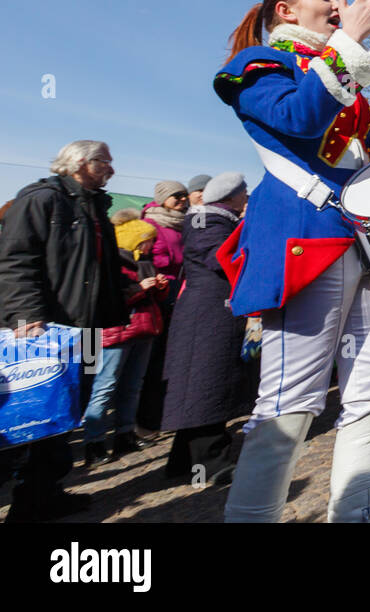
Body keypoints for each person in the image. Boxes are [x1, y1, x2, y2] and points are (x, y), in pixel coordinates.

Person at [212, 0, 370, 522]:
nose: (336, 4)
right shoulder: (255, 64)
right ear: (283, 7)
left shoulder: (335, 68)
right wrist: (348, 42)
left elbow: (352, 153)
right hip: (307, 241)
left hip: (363, 245)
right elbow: (298, 119)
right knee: (288, 407)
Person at [0, 139, 128, 521]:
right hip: (46, 329)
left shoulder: (94, 205)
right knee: (36, 410)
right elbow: (15, 261)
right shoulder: (42, 199)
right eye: (104, 160)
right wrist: (25, 315)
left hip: (85, 332)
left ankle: (46, 492)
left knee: (69, 407)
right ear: (79, 163)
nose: (111, 168)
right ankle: (26, 502)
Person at [162, 172, 255, 485]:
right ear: (230, 196)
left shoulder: (216, 220)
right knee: (207, 385)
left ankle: (182, 461)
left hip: (211, 312)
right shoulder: (206, 222)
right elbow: (221, 258)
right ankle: (210, 464)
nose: (246, 198)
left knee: (202, 386)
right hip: (207, 314)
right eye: (243, 193)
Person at [81, 216, 168, 466]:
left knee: (133, 386)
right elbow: (108, 301)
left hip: (143, 330)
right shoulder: (114, 265)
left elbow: (156, 300)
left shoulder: (147, 264)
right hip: (115, 333)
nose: (150, 246)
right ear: (135, 240)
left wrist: (159, 287)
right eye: (147, 241)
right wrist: (140, 288)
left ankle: (124, 434)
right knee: (104, 386)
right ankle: (94, 442)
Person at [134, 180, 190, 440]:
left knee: (169, 360)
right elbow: (136, 260)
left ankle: (163, 415)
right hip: (153, 298)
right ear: (162, 198)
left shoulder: (187, 223)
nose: (182, 199)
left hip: (179, 297)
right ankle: (138, 422)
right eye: (176, 196)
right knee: (149, 361)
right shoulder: (149, 224)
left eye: (184, 195)